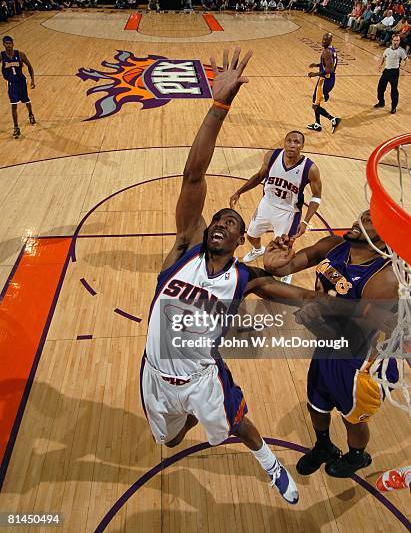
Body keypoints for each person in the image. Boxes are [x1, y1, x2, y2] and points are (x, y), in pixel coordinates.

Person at [141, 49, 320, 505]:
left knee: (240, 423)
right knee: (171, 442)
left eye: (232, 223)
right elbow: (193, 174)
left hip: (203, 376)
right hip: (156, 373)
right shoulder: (184, 245)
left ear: (241, 240)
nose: (221, 223)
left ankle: (271, 466)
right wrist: (218, 107)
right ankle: (186, 418)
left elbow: (297, 297)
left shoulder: (246, 277)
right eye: (217, 220)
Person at [264, 211, 399, 477]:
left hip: (359, 362)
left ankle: (357, 456)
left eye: (371, 219)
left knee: (352, 418)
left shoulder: (384, 279)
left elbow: (353, 336)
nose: (360, 219)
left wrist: (316, 321)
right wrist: (273, 264)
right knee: (316, 403)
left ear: (385, 238)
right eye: (362, 215)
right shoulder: (333, 246)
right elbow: (288, 266)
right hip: (327, 344)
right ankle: (324, 445)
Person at [229, 131, 322, 272]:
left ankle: (286, 270)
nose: (292, 145)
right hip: (266, 204)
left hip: (288, 212)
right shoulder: (272, 156)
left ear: (302, 146)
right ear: (284, 142)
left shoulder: (310, 168)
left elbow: (316, 196)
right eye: (289, 141)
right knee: (251, 236)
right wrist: (239, 191)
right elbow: (259, 176)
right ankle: (258, 250)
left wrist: (305, 221)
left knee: (284, 248)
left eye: (296, 142)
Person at [1, 36, 36, 139]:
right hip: (11, 83)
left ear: (13, 43)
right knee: (13, 105)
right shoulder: (2, 56)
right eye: (6, 43)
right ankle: (16, 127)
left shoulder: (20, 54)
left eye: (9, 43)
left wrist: (33, 80)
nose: (8, 45)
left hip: (21, 82)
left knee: (26, 101)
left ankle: (31, 114)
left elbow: (30, 66)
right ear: (3, 44)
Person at [307, 33, 341, 133]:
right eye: (323, 39)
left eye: (326, 40)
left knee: (315, 105)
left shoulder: (327, 52)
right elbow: (328, 64)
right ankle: (317, 124)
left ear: (330, 41)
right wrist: (317, 65)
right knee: (316, 102)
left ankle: (333, 119)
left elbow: (329, 70)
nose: (323, 41)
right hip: (328, 79)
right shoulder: (332, 49)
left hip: (325, 80)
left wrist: (315, 74)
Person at [374, 34, 407, 114]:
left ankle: (393, 107)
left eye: (398, 40)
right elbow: (383, 57)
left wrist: (403, 69)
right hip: (386, 71)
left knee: (394, 90)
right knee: (380, 88)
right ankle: (381, 102)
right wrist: (379, 66)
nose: (396, 42)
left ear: (399, 41)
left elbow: (406, 60)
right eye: (395, 40)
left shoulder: (401, 51)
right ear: (392, 41)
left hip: (394, 72)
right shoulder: (387, 50)